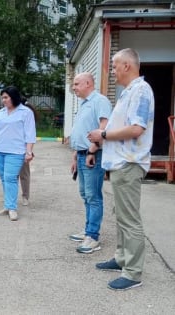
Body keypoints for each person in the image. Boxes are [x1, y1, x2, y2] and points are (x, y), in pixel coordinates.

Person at [88, 48, 154, 291]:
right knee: (122, 217)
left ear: (127, 65)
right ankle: (121, 258)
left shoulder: (140, 91)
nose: (112, 70)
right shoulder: (129, 93)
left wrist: (103, 134)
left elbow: (137, 129)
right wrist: (99, 143)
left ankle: (133, 272)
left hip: (129, 163)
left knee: (130, 219)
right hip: (120, 163)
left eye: (115, 66)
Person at [68, 72, 112, 254]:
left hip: (93, 154)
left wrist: (93, 149)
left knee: (93, 196)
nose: (74, 87)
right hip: (82, 154)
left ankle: (92, 237)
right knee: (85, 194)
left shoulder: (100, 101)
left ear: (88, 83)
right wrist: (76, 155)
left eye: (77, 83)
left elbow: (104, 127)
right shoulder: (85, 103)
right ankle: (88, 230)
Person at [0, 86, 36, 221]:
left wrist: (29, 152)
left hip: (16, 152)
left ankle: (12, 208)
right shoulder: (1, 113)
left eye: (6, 97)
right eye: (2, 97)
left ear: (13, 97)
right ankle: (8, 205)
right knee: (4, 179)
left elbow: (30, 133)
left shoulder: (25, 112)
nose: (3, 100)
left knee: (10, 178)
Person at [18, 98, 38, 207]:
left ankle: (25, 196)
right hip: (13, 148)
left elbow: (30, 135)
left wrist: (28, 151)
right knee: (14, 175)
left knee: (24, 174)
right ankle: (14, 197)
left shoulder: (26, 114)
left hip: (23, 149)